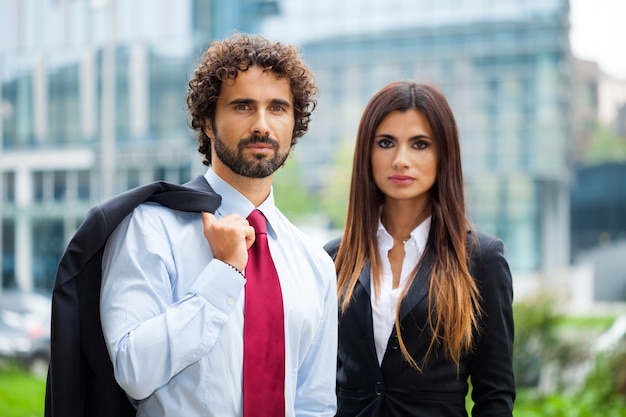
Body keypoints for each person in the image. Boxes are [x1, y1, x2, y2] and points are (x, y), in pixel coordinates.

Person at [99, 33, 337, 417]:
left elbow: (315, 403)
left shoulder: (314, 264)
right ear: (208, 122)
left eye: (278, 108)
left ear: (295, 124)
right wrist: (224, 274)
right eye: (243, 106)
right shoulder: (150, 228)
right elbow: (133, 371)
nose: (262, 125)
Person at [324, 81, 515, 416]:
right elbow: (316, 381)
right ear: (366, 154)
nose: (400, 160)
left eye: (419, 144)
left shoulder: (480, 259)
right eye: (385, 143)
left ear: (443, 154)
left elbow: (494, 395)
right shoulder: (334, 259)